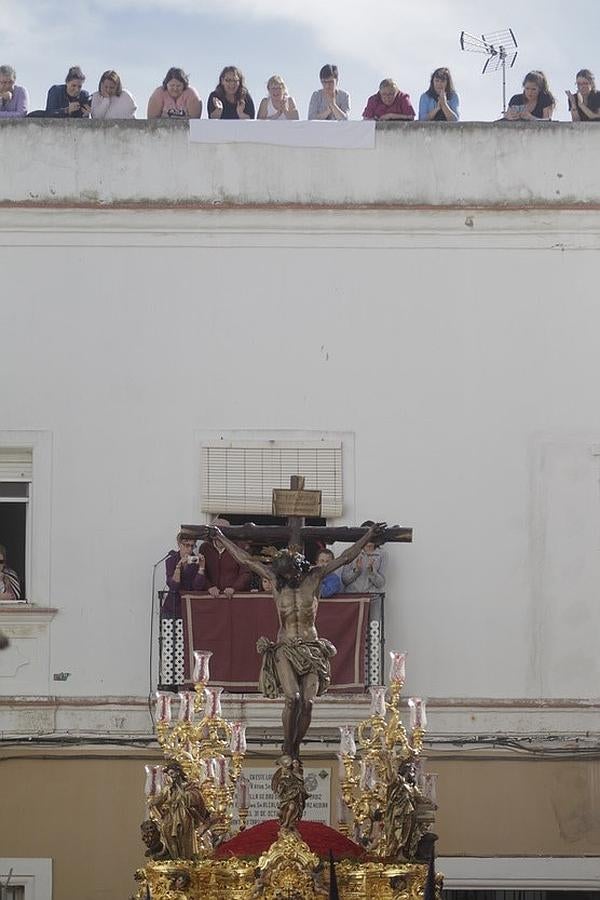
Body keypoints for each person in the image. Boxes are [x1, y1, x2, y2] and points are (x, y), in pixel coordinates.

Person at [200, 521, 386, 760]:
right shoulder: (277, 583)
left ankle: (295, 749)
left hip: (311, 648)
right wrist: (222, 538)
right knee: (293, 698)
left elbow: (346, 557)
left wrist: (368, 535)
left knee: (307, 703)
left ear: (299, 569)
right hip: (285, 648)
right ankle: (288, 748)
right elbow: (246, 560)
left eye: (292, 574)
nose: (289, 577)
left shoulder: (315, 577)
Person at [198, 518, 251, 596]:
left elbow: (246, 572)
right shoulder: (205, 548)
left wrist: (234, 588)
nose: (219, 537)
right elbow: (201, 570)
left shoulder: (240, 547)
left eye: (222, 533)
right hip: (212, 597)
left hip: (234, 597)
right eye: (216, 534)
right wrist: (209, 587)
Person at [163, 532, 207, 617]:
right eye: (187, 545)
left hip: (190, 606)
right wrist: (178, 566)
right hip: (173, 607)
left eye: (192, 546)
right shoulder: (171, 560)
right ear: (179, 544)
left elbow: (197, 587)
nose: (190, 549)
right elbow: (173, 586)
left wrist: (201, 568)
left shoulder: (196, 561)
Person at [341, 523, 386, 593]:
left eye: (372, 536)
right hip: (352, 597)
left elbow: (381, 584)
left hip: (372, 598)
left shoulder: (382, 554)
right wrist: (356, 571)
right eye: (366, 535)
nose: (369, 539)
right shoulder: (351, 551)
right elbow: (345, 580)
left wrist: (372, 572)